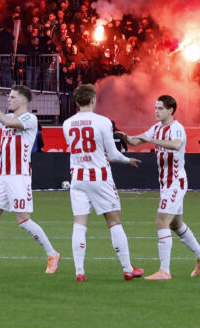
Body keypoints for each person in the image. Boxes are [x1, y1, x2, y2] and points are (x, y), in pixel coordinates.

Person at [120, 95, 200, 280]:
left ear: (170, 110)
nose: (156, 111)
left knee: (161, 221)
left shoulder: (177, 129)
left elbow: (176, 145)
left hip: (176, 182)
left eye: (160, 108)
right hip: (165, 184)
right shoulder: (156, 128)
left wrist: (153, 140)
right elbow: (137, 141)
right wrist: (125, 137)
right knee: (176, 224)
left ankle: (164, 271)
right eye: (155, 108)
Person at [0, 85, 61, 275]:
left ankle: (52, 253)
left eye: (12, 97)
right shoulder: (7, 119)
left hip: (18, 177)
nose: (8, 100)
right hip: (2, 175)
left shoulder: (30, 118)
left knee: (23, 219)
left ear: (23, 101)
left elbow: (6, 121)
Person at [61, 83, 143, 282]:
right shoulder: (103, 122)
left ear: (76, 101)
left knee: (80, 224)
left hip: (78, 178)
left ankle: (79, 271)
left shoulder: (67, 124)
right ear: (93, 100)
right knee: (114, 221)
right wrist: (128, 160)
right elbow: (113, 154)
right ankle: (127, 268)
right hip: (99, 177)